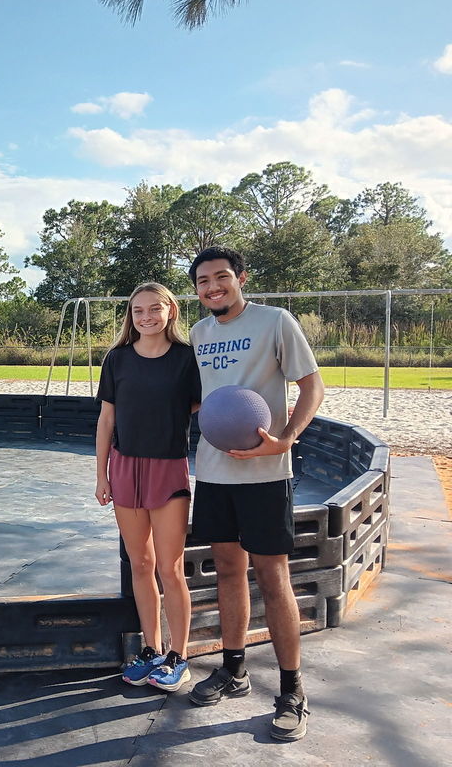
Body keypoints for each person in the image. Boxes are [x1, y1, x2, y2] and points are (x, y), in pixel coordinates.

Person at [185, 246, 324, 742]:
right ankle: (234, 669)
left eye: (221, 277)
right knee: (226, 569)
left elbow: (312, 386)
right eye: (203, 281)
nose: (213, 287)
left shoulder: (275, 322)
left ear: (241, 278)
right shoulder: (199, 334)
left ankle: (291, 690)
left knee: (272, 575)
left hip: (266, 475)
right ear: (197, 289)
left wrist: (286, 439)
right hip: (215, 472)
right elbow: (204, 396)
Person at [95, 283, 200, 693]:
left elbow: (198, 402)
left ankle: (179, 657)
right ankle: (152, 650)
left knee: (170, 568)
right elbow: (107, 420)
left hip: (168, 468)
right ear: (131, 317)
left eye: (154, 309)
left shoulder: (186, 358)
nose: (146, 317)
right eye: (138, 311)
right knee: (140, 564)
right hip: (124, 469)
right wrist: (101, 474)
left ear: (170, 311)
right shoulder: (117, 359)